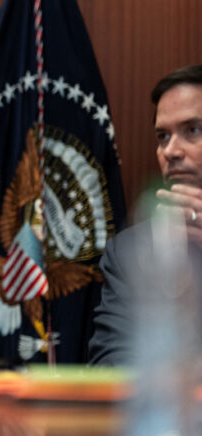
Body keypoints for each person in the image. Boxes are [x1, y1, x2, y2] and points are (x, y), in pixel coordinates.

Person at [89, 65, 202, 365]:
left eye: (193, 130)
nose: (171, 151)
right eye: (163, 136)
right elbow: (109, 363)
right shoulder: (129, 251)